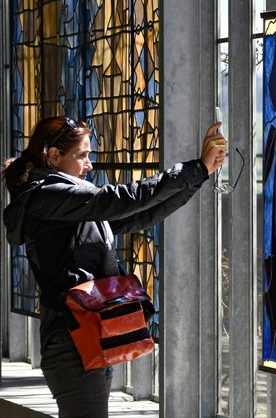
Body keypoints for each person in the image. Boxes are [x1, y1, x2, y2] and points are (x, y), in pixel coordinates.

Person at [2, 116, 226, 418]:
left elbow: (141, 215)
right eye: (82, 156)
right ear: (54, 156)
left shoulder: (63, 204)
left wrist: (200, 174)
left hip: (87, 337)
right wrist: (193, 169)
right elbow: (119, 199)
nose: (89, 165)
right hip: (73, 345)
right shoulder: (46, 196)